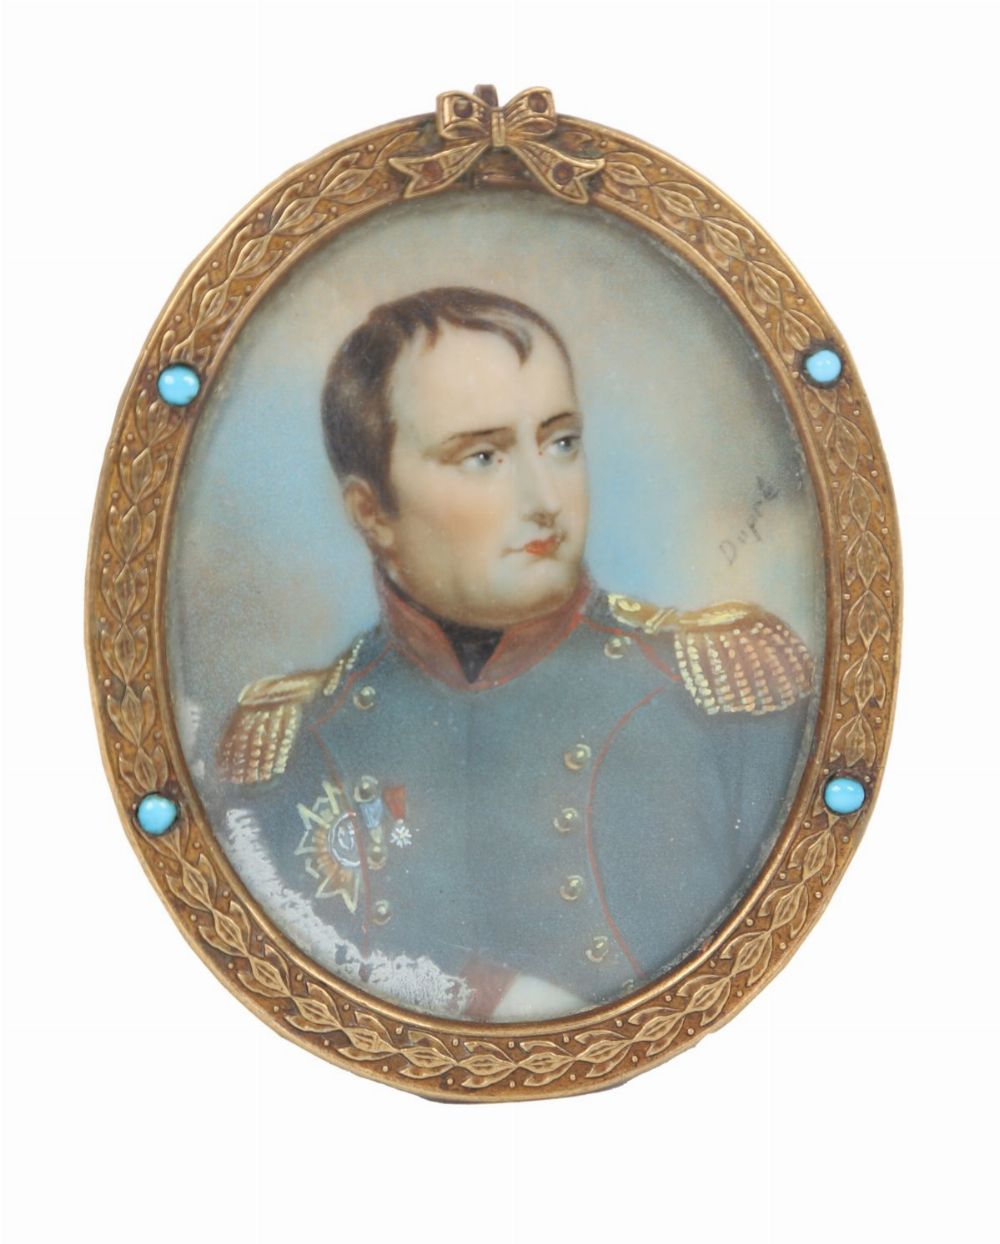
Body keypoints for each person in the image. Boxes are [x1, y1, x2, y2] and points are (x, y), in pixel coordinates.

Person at [217, 287, 814, 1022]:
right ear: (372, 513)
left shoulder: (723, 696)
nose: (544, 498)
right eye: (483, 456)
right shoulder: (293, 747)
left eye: (561, 443)